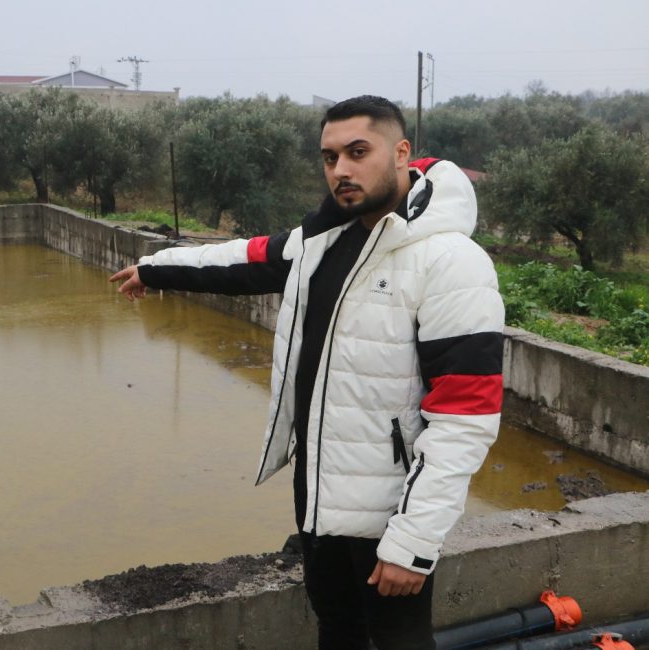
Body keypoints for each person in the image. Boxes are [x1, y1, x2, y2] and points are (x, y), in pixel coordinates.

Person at [109, 95, 504, 649]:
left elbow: (466, 417)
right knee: (336, 631)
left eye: (358, 152)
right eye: (329, 156)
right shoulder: (325, 240)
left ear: (401, 153)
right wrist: (156, 267)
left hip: (388, 513)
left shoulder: (449, 261)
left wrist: (413, 542)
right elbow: (245, 259)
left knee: (397, 643)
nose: (341, 170)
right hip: (318, 495)